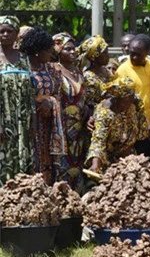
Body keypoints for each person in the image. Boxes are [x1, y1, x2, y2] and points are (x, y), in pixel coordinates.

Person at [22, 27, 66, 185]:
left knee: (47, 164)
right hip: (28, 124)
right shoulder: (22, 69)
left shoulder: (53, 71)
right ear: (37, 51)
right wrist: (37, 100)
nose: (51, 54)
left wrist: (51, 102)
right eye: (48, 51)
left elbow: (58, 95)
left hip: (48, 125)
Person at [86, 78, 150, 172]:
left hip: (128, 156)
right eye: (125, 102)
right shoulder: (105, 113)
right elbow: (98, 140)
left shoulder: (134, 104)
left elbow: (140, 132)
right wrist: (96, 164)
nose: (128, 105)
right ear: (117, 99)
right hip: (106, 158)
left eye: (130, 101)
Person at [52, 33, 88, 192]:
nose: (73, 52)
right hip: (62, 125)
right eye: (67, 49)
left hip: (80, 126)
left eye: (74, 49)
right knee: (63, 162)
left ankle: (77, 200)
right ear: (58, 50)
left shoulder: (79, 71)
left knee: (78, 161)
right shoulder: (54, 70)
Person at [0, 16, 34, 184]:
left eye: (9, 31)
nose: (5, 34)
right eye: (1, 31)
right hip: (3, 120)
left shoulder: (24, 59)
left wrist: (32, 119)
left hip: (22, 121)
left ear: (16, 34)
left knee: (23, 156)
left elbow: (31, 90)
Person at [116, 34, 150, 160]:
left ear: (147, 53)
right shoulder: (123, 70)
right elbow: (125, 101)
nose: (133, 57)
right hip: (133, 126)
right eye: (131, 53)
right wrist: (145, 121)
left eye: (138, 54)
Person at [79, 35, 112, 112]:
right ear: (95, 56)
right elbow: (90, 104)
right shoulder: (88, 77)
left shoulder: (106, 71)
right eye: (105, 53)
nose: (108, 56)